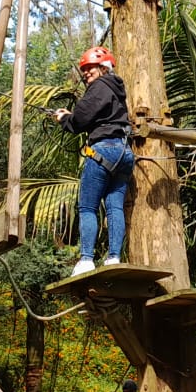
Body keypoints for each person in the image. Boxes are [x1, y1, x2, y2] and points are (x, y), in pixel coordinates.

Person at [53, 46, 134, 276]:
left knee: (88, 207)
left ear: (103, 67)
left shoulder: (99, 86)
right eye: (85, 70)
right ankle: (114, 258)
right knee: (114, 207)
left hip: (104, 149)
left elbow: (80, 120)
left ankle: (87, 259)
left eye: (91, 68)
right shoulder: (118, 91)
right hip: (124, 153)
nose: (86, 73)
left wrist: (64, 119)